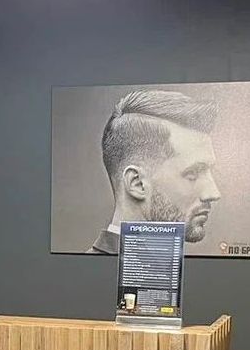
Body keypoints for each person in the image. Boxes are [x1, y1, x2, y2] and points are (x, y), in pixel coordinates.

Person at [88, 88, 222, 255]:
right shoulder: (84, 272)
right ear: (137, 183)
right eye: (192, 175)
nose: (214, 193)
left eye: (210, 172)